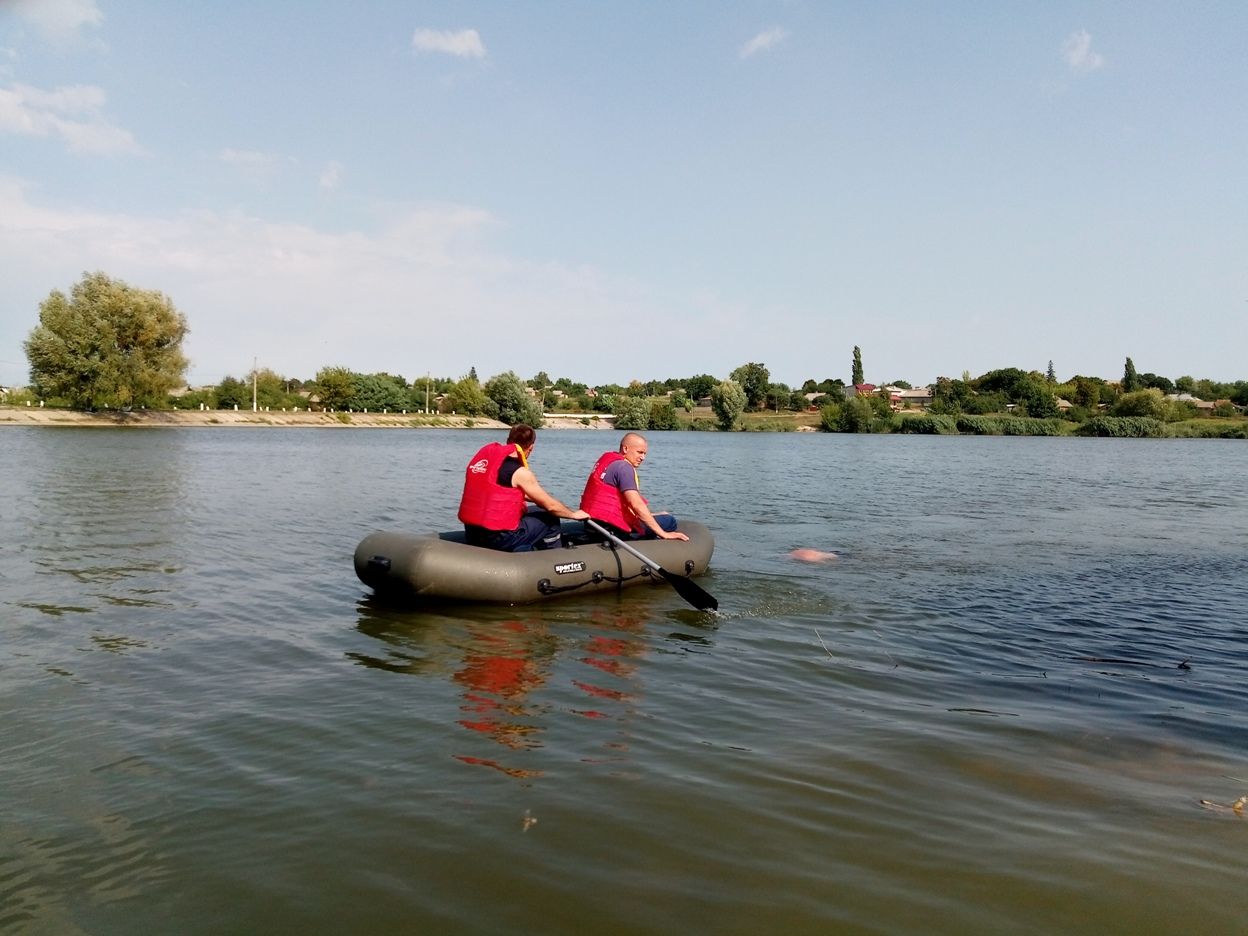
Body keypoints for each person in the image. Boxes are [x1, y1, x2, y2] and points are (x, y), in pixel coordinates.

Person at [459, 424, 589, 552]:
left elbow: (499, 493)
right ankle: (556, 562)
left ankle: (525, 551)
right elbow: (551, 506)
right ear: (531, 447)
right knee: (551, 518)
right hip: (498, 539)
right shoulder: (520, 473)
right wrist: (573, 515)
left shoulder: (488, 465)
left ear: (508, 441)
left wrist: (539, 502)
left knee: (539, 509)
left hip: (472, 533)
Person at [580, 432, 688, 541]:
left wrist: (652, 515)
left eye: (645, 454)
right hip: (612, 529)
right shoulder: (624, 468)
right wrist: (664, 534)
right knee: (669, 520)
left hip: (593, 525)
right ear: (625, 449)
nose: (643, 457)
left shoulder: (607, 462)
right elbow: (636, 505)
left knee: (659, 515)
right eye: (640, 452)